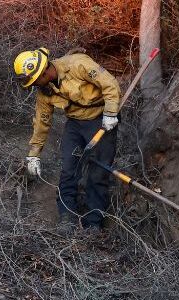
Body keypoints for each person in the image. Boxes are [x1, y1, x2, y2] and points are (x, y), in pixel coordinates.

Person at [13, 47, 121, 232]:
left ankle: (94, 223)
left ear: (44, 71)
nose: (34, 85)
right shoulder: (44, 91)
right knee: (68, 170)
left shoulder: (78, 64)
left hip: (102, 120)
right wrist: (34, 154)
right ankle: (66, 217)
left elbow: (110, 84)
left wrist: (111, 113)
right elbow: (42, 122)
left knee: (98, 172)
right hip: (75, 124)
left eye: (35, 81)